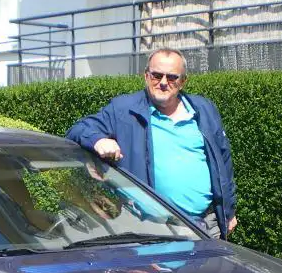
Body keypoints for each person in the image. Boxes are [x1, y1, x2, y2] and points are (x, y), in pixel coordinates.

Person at [65, 48, 237, 238]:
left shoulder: (204, 109)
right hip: (154, 228)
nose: (163, 83)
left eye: (172, 77)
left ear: (183, 82)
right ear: (146, 76)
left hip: (207, 225)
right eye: (156, 75)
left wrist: (228, 211)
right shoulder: (124, 110)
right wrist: (98, 140)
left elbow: (223, 160)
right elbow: (78, 129)